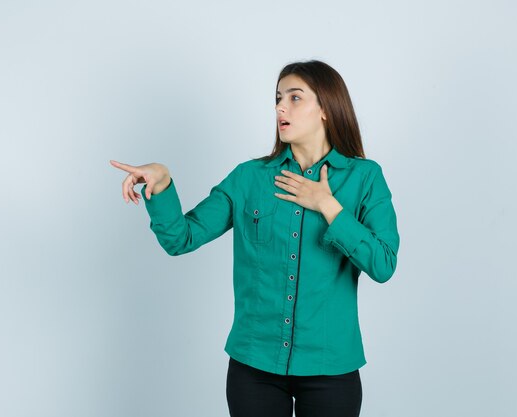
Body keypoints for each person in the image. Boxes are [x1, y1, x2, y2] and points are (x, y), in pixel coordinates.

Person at [110, 59, 400, 417]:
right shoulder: (249, 179)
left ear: (326, 108)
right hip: (254, 367)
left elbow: (384, 264)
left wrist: (327, 205)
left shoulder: (365, 178)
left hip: (332, 368)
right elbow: (180, 238)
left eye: (295, 98)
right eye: (278, 98)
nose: (280, 107)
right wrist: (163, 182)